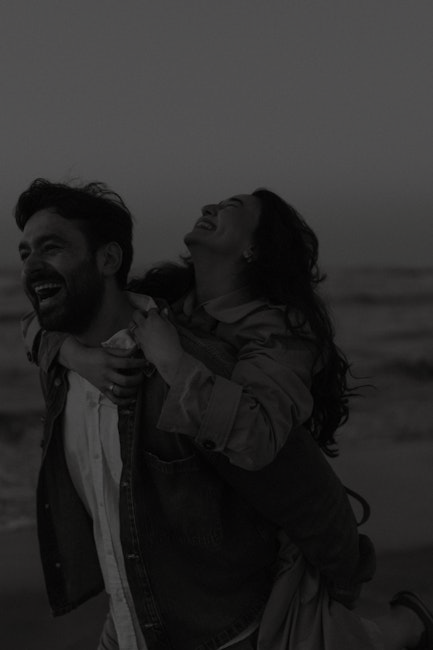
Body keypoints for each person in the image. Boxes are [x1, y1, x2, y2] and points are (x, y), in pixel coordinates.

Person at [16, 179, 432, 650]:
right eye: (24, 252)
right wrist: (74, 354)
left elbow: (268, 448)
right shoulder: (172, 302)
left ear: (254, 247)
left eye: (231, 206)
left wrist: (174, 362)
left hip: (263, 535)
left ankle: (407, 626)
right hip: (188, 556)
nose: (209, 206)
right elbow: (59, 309)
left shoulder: (275, 333)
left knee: (346, 639)